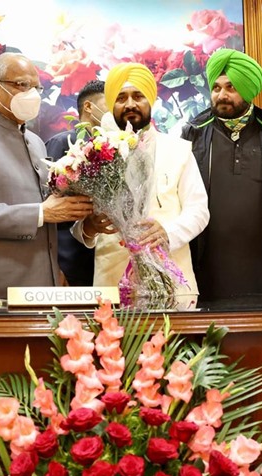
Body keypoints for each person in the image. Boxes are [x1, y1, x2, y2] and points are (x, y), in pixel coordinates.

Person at [0, 52, 92, 304]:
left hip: (42, 289)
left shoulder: (35, 142)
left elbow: (51, 214)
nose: (32, 93)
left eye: (37, 87)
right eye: (22, 85)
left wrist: (88, 222)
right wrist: (41, 213)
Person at [74, 63, 210, 299]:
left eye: (138, 96)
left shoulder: (179, 149)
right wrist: (89, 227)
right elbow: (78, 226)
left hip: (172, 282)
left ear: (151, 101)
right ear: (111, 104)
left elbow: (199, 210)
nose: (129, 104)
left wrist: (168, 233)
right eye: (121, 98)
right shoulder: (92, 155)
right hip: (111, 284)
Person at [181, 49, 262, 301]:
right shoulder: (193, 133)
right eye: (217, 87)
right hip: (208, 267)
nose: (222, 95)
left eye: (231, 87)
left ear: (248, 88)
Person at [45, 80, 107, 286]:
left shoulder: (116, 146)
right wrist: (55, 267)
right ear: (89, 107)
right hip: (69, 261)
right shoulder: (63, 143)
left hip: (103, 260)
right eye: (113, 101)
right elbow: (48, 207)